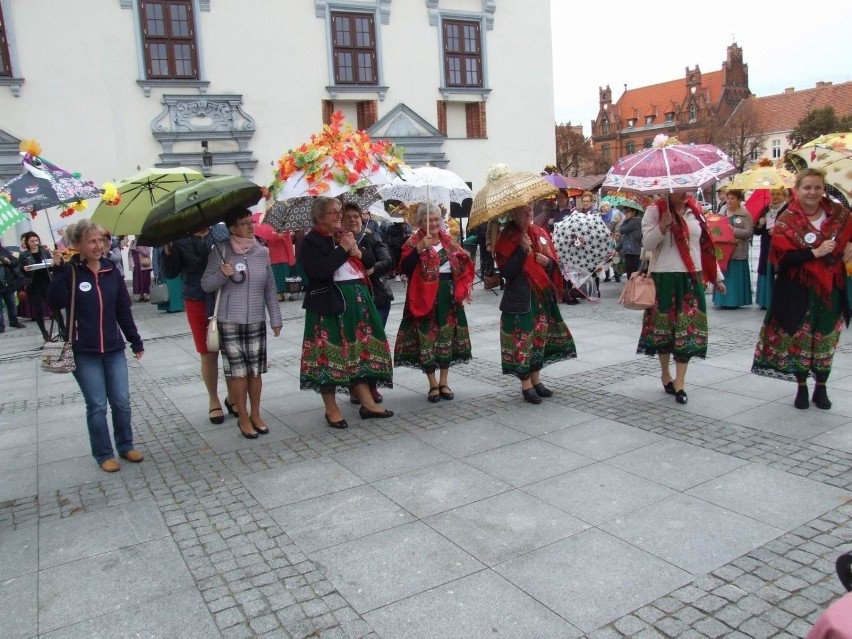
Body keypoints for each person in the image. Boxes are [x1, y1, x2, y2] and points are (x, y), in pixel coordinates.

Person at [46, 220, 144, 473]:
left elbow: (122, 309)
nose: (98, 245)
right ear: (77, 245)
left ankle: (125, 444)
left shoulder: (111, 269)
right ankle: (103, 453)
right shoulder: (71, 272)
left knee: (121, 401)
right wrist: (58, 271)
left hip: (113, 347)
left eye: (100, 240)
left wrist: (135, 340)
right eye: (91, 241)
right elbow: (54, 303)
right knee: (98, 404)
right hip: (83, 349)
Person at [752, 169, 852, 410]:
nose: (813, 192)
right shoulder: (787, 220)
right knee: (801, 338)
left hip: (831, 288)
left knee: (826, 337)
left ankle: (821, 387)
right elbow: (781, 259)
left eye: (818, 187)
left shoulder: (840, 215)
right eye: (807, 187)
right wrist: (814, 253)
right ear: (797, 190)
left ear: (823, 188)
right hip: (798, 288)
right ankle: (801, 387)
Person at [299, 197, 393, 428]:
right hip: (329, 305)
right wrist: (342, 250)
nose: (339, 215)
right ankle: (331, 408)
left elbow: (370, 263)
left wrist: (356, 251)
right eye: (333, 212)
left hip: (357, 299)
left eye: (339, 210)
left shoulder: (344, 235)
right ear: (319, 217)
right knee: (328, 356)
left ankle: (367, 403)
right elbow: (318, 272)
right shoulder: (310, 241)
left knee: (357, 351)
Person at [201, 207, 283, 438]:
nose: (250, 227)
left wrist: (275, 318)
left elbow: (269, 287)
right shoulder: (221, 251)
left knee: (255, 372)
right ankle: (244, 418)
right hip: (230, 320)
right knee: (238, 373)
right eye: (244, 223)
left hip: (256, 319)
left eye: (251, 222)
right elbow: (206, 284)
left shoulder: (261, 252)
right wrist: (222, 274)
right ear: (232, 228)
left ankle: (256, 414)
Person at [638, 191, 726, 405]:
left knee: (688, 330)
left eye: (689, 188)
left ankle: (681, 382)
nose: (687, 193)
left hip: (691, 277)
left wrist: (717, 277)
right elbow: (647, 245)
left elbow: (703, 248)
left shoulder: (696, 212)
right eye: (682, 188)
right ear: (669, 190)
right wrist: (661, 227)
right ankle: (665, 373)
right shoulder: (655, 211)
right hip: (664, 278)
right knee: (664, 330)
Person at [494, 201, 577, 404]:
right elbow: (507, 273)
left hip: (541, 295)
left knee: (540, 339)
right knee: (523, 341)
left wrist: (547, 263)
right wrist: (522, 250)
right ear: (513, 212)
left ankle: (536, 380)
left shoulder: (539, 231)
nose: (528, 213)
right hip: (520, 299)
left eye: (530, 209)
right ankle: (526, 385)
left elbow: (552, 261)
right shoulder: (507, 237)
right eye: (523, 210)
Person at [395, 202, 474, 402]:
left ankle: (444, 382)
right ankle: (432, 384)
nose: (433, 222)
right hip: (423, 296)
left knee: (446, 337)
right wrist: (420, 249)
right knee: (427, 338)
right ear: (420, 222)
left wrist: (464, 265)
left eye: (436, 219)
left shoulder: (449, 241)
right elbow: (404, 268)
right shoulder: (414, 242)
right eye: (428, 219)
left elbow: (463, 262)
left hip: (447, 295)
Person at [164, 228, 234, 424]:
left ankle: (233, 397)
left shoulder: (221, 232)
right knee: (208, 351)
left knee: (229, 350)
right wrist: (168, 252)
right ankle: (214, 400)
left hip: (224, 295)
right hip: (196, 298)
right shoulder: (179, 239)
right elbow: (170, 273)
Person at [343, 202, 395, 404]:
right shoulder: (339, 241)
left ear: (362, 217)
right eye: (348, 217)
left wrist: (373, 269)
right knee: (355, 344)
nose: (353, 220)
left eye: (355, 216)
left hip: (377, 298)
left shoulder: (372, 237)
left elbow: (388, 260)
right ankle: (355, 386)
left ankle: (372, 385)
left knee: (374, 343)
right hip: (352, 301)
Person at [20, 231, 67, 341]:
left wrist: (52, 264)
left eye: (36, 240)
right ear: (27, 242)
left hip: (46, 282)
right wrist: (25, 269)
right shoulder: (24, 255)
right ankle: (44, 333)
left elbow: (52, 266)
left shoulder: (44, 251)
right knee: (38, 309)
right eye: (32, 241)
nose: (34, 243)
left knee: (54, 307)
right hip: (33, 284)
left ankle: (63, 329)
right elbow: (20, 270)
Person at [713, 189, 754, 308]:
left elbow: (749, 233)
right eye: (728, 198)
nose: (729, 201)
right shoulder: (722, 213)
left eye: (733, 198)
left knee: (735, 277)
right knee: (724, 275)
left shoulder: (745, 215)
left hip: (738, 251)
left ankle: (735, 301)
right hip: (723, 251)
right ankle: (722, 300)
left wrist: (733, 230)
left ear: (739, 200)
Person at [754, 188, 790, 310]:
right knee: (766, 268)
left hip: (781, 245)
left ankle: (779, 301)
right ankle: (765, 300)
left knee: (778, 269)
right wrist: (760, 223)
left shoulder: (789, 209)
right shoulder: (766, 209)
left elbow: (793, 228)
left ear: (784, 196)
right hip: (767, 243)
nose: (775, 196)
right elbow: (757, 231)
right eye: (773, 194)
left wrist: (778, 231)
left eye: (778, 194)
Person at [0, 239, 24, 333]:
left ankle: (14, 321)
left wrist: (8, 261)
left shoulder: (3, 250)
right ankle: (1, 326)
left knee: (11, 303)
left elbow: (15, 262)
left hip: (7, 282)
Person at [616, 207, 643, 280]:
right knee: (632, 273)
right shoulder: (635, 221)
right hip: (632, 251)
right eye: (625, 211)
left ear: (634, 212)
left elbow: (622, 230)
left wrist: (625, 221)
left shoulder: (634, 222)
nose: (626, 213)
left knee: (632, 274)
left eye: (628, 211)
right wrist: (618, 248)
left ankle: (632, 290)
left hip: (632, 251)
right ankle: (632, 289)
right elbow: (626, 238)